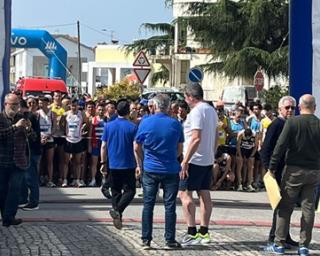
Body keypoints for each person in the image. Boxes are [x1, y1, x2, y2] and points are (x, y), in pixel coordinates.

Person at [265, 94, 320, 256]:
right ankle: (304, 246)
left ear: (299, 107)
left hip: (293, 171)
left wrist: (272, 168)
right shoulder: (318, 124)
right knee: (308, 208)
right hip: (314, 171)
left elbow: (280, 146)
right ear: (314, 107)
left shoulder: (292, 122)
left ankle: (279, 243)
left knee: (285, 206)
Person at [134, 94, 184, 250]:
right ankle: (170, 239)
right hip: (170, 168)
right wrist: (169, 156)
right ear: (168, 107)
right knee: (170, 205)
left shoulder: (145, 122)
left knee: (148, 204)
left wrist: (142, 162)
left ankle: (146, 239)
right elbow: (180, 148)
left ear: (154, 106)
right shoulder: (175, 124)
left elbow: (136, 146)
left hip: (150, 168)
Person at [179, 83, 218, 246]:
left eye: (185, 97)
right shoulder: (211, 110)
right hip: (207, 158)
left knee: (184, 194)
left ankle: (192, 231)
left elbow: (195, 137)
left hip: (194, 159)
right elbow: (216, 135)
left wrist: (185, 161)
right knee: (204, 194)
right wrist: (212, 153)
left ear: (190, 97)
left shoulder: (196, 112)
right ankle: (204, 231)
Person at [260, 96, 298, 248]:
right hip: (277, 171)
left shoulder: (292, 124)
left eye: (292, 108)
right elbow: (265, 150)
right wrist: (270, 170)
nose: (290, 110)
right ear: (279, 109)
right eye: (287, 107)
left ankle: (285, 235)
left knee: (287, 205)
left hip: (289, 170)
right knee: (280, 205)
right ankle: (274, 237)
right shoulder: (276, 124)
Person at [100, 99, 137, 230]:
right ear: (128, 112)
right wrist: (139, 164)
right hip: (128, 163)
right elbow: (136, 147)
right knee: (130, 191)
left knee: (115, 191)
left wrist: (103, 162)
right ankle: (119, 211)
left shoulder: (108, 126)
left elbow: (103, 146)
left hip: (113, 163)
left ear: (117, 111)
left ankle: (118, 215)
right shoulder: (132, 126)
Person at [0, 93, 31, 226]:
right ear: (5, 104)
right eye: (12, 104)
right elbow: (1, 135)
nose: (15, 107)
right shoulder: (0, 118)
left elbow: (33, 137)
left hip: (19, 161)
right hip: (2, 161)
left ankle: (9, 217)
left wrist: (29, 130)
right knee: (2, 190)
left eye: (17, 104)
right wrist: (15, 127)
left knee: (15, 189)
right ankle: (6, 216)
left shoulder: (21, 118)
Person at [19, 99, 42, 210]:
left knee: (30, 177)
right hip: (28, 151)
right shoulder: (27, 116)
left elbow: (33, 136)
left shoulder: (29, 117)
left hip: (32, 151)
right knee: (24, 177)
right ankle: (23, 199)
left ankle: (34, 201)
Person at [62, 98, 88, 187]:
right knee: (66, 161)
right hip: (68, 140)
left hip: (78, 140)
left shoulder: (81, 114)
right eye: (72, 105)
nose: (74, 107)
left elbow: (87, 123)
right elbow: (61, 123)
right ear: (70, 106)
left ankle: (77, 180)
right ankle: (65, 180)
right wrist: (64, 133)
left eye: (75, 105)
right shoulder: (66, 114)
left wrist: (83, 128)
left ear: (78, 106)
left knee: (78, 161)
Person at [88, 102, 105, 187]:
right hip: (95, 143)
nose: (101, 111)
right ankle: (93, 179)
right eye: (99, 110)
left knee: (104, 162)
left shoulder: (107, 120)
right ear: (97, 110)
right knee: (94, 163)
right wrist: (89, 145)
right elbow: (90, 134)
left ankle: (104, 180)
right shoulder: (93, 119)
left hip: (104, 144)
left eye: (102, 110)